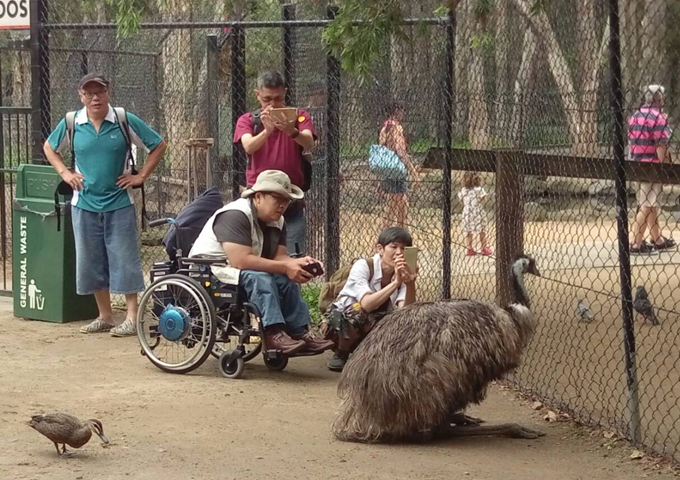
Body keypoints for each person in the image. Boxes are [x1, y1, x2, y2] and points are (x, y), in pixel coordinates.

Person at [43, 73, 166, 336]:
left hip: (120, 202)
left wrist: (141, 176)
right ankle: (105, 316)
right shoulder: (72, 122)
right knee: (91, 258)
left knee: (124, 258)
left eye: (100, 92)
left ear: (108, 93)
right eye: (89, 93)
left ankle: (132, 318)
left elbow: (158, 144)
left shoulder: (123, 120)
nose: (95, 97)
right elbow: (49, 148)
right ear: (81, 96)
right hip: (84, 204)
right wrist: (65, 173)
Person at [189, 170, 334, 355]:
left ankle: (299, 332)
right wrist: (285, 266)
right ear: (258, 197)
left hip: (243, 271)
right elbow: (240, 260)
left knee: (287, 280)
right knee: (261, 278)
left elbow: (279, 257)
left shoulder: (278, 221)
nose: (283, 205)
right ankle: (272, 334)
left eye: (287, 200)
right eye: (277, 198)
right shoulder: (236, 214)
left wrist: (296, 263)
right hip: (212, 269)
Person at [233, 71, 316, 256]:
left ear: (285, 93)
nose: (272, 104)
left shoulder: (299, 116)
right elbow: (248, 146)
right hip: (260, 201)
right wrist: (267, 131)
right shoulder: (248, 120)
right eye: (266, 99)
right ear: (257, 95)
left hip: (291, 199)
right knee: (258, 254)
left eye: (277, 98)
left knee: (293, 256)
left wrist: (291, 130)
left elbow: (309, 142)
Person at [323, 227, 417, 372]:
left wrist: (410, 282)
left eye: (404, 249)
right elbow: (366, 304)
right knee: (356, 312)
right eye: (394, 247)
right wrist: (396, 283)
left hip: (372, 323)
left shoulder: (403, 271)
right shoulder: (363, 265)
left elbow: (405, 311)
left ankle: (375, 354)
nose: (399, 253)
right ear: (380, 249)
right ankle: (342, 352)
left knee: (406, 320)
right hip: (341, 324)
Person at [628, 84, 676, 255]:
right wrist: (665, 167)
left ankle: (657, 239)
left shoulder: (635, 116)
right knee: (647, 204)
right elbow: (661, 145)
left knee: (651, 202)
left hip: (637, 164)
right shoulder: (658, 118)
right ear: (660, 99)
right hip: (653, 166)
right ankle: (635, 243)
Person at [377, 102, 418, 230]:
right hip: (397, 171)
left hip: (388, 170)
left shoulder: (384, 129)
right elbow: (401, 152)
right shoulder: (397, 128)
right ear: (397, 112)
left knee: (403, 210)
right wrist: (413, 172)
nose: (403, 114)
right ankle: (379, 246)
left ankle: (402, 243)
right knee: (391, 213)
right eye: (401, 111)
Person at [458, 171, 491, 256]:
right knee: (482, 231)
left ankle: (469, 249)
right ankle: (484, 248)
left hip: (467, 212)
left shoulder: (463, 190)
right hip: (477, 212)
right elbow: (484, 199)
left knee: (469, 232)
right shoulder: (479, 189)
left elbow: (461, 200)